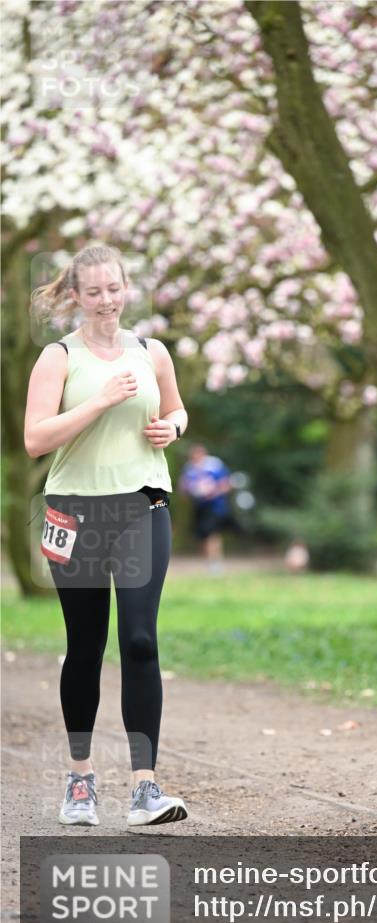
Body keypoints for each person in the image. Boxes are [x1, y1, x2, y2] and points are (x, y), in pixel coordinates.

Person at [25, 243, 189, 827]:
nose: (105, 301)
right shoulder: (58, 357)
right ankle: (80, 780)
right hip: (76, 513)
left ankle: (145, 788)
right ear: (75, 295)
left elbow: (177, 409)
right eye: (93, 292)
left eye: (113, 289)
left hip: (143, 505)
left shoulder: (152, 351)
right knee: (86, 645)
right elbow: (35, 440)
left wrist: (172, 427)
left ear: (126, 289)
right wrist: (99, 400)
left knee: (140, 641)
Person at [178, 444, 232, 572]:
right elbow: (183, 489)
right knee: (203, 535)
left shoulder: (214, 465)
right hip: (199, 506)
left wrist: (214, 492)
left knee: (212, 533)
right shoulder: (189, 468)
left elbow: (227, 483)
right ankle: (209, 563)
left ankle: (215, 563)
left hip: (215, 506)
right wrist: (190, 492)